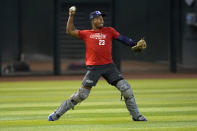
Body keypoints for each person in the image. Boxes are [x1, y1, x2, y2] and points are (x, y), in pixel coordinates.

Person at [48, 6, 147, 121]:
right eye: (98, 18)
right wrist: (71, 15)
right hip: (94, 68)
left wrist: (134, 43)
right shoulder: (86, 33)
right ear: (92, 20)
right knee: (82, 95)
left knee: (126, 89)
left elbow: (122, 38)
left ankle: (136, 116)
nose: (101, 20)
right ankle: (56, 114)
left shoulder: (109, 31)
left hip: (109, 67)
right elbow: (69, 31)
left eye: (102, 18)